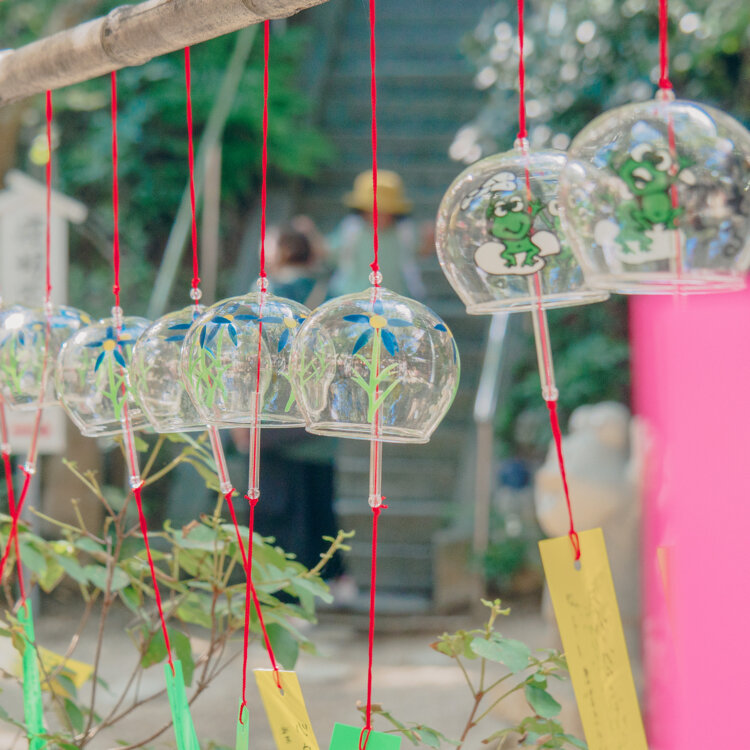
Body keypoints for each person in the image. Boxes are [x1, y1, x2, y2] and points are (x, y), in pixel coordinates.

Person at [328, 170, 425, 298]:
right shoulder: (351, 229)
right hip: (352, 297)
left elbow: (418, 252)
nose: (379, 216)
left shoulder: (405, 231)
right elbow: (330, 252)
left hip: (395, 298)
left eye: (385, 211)